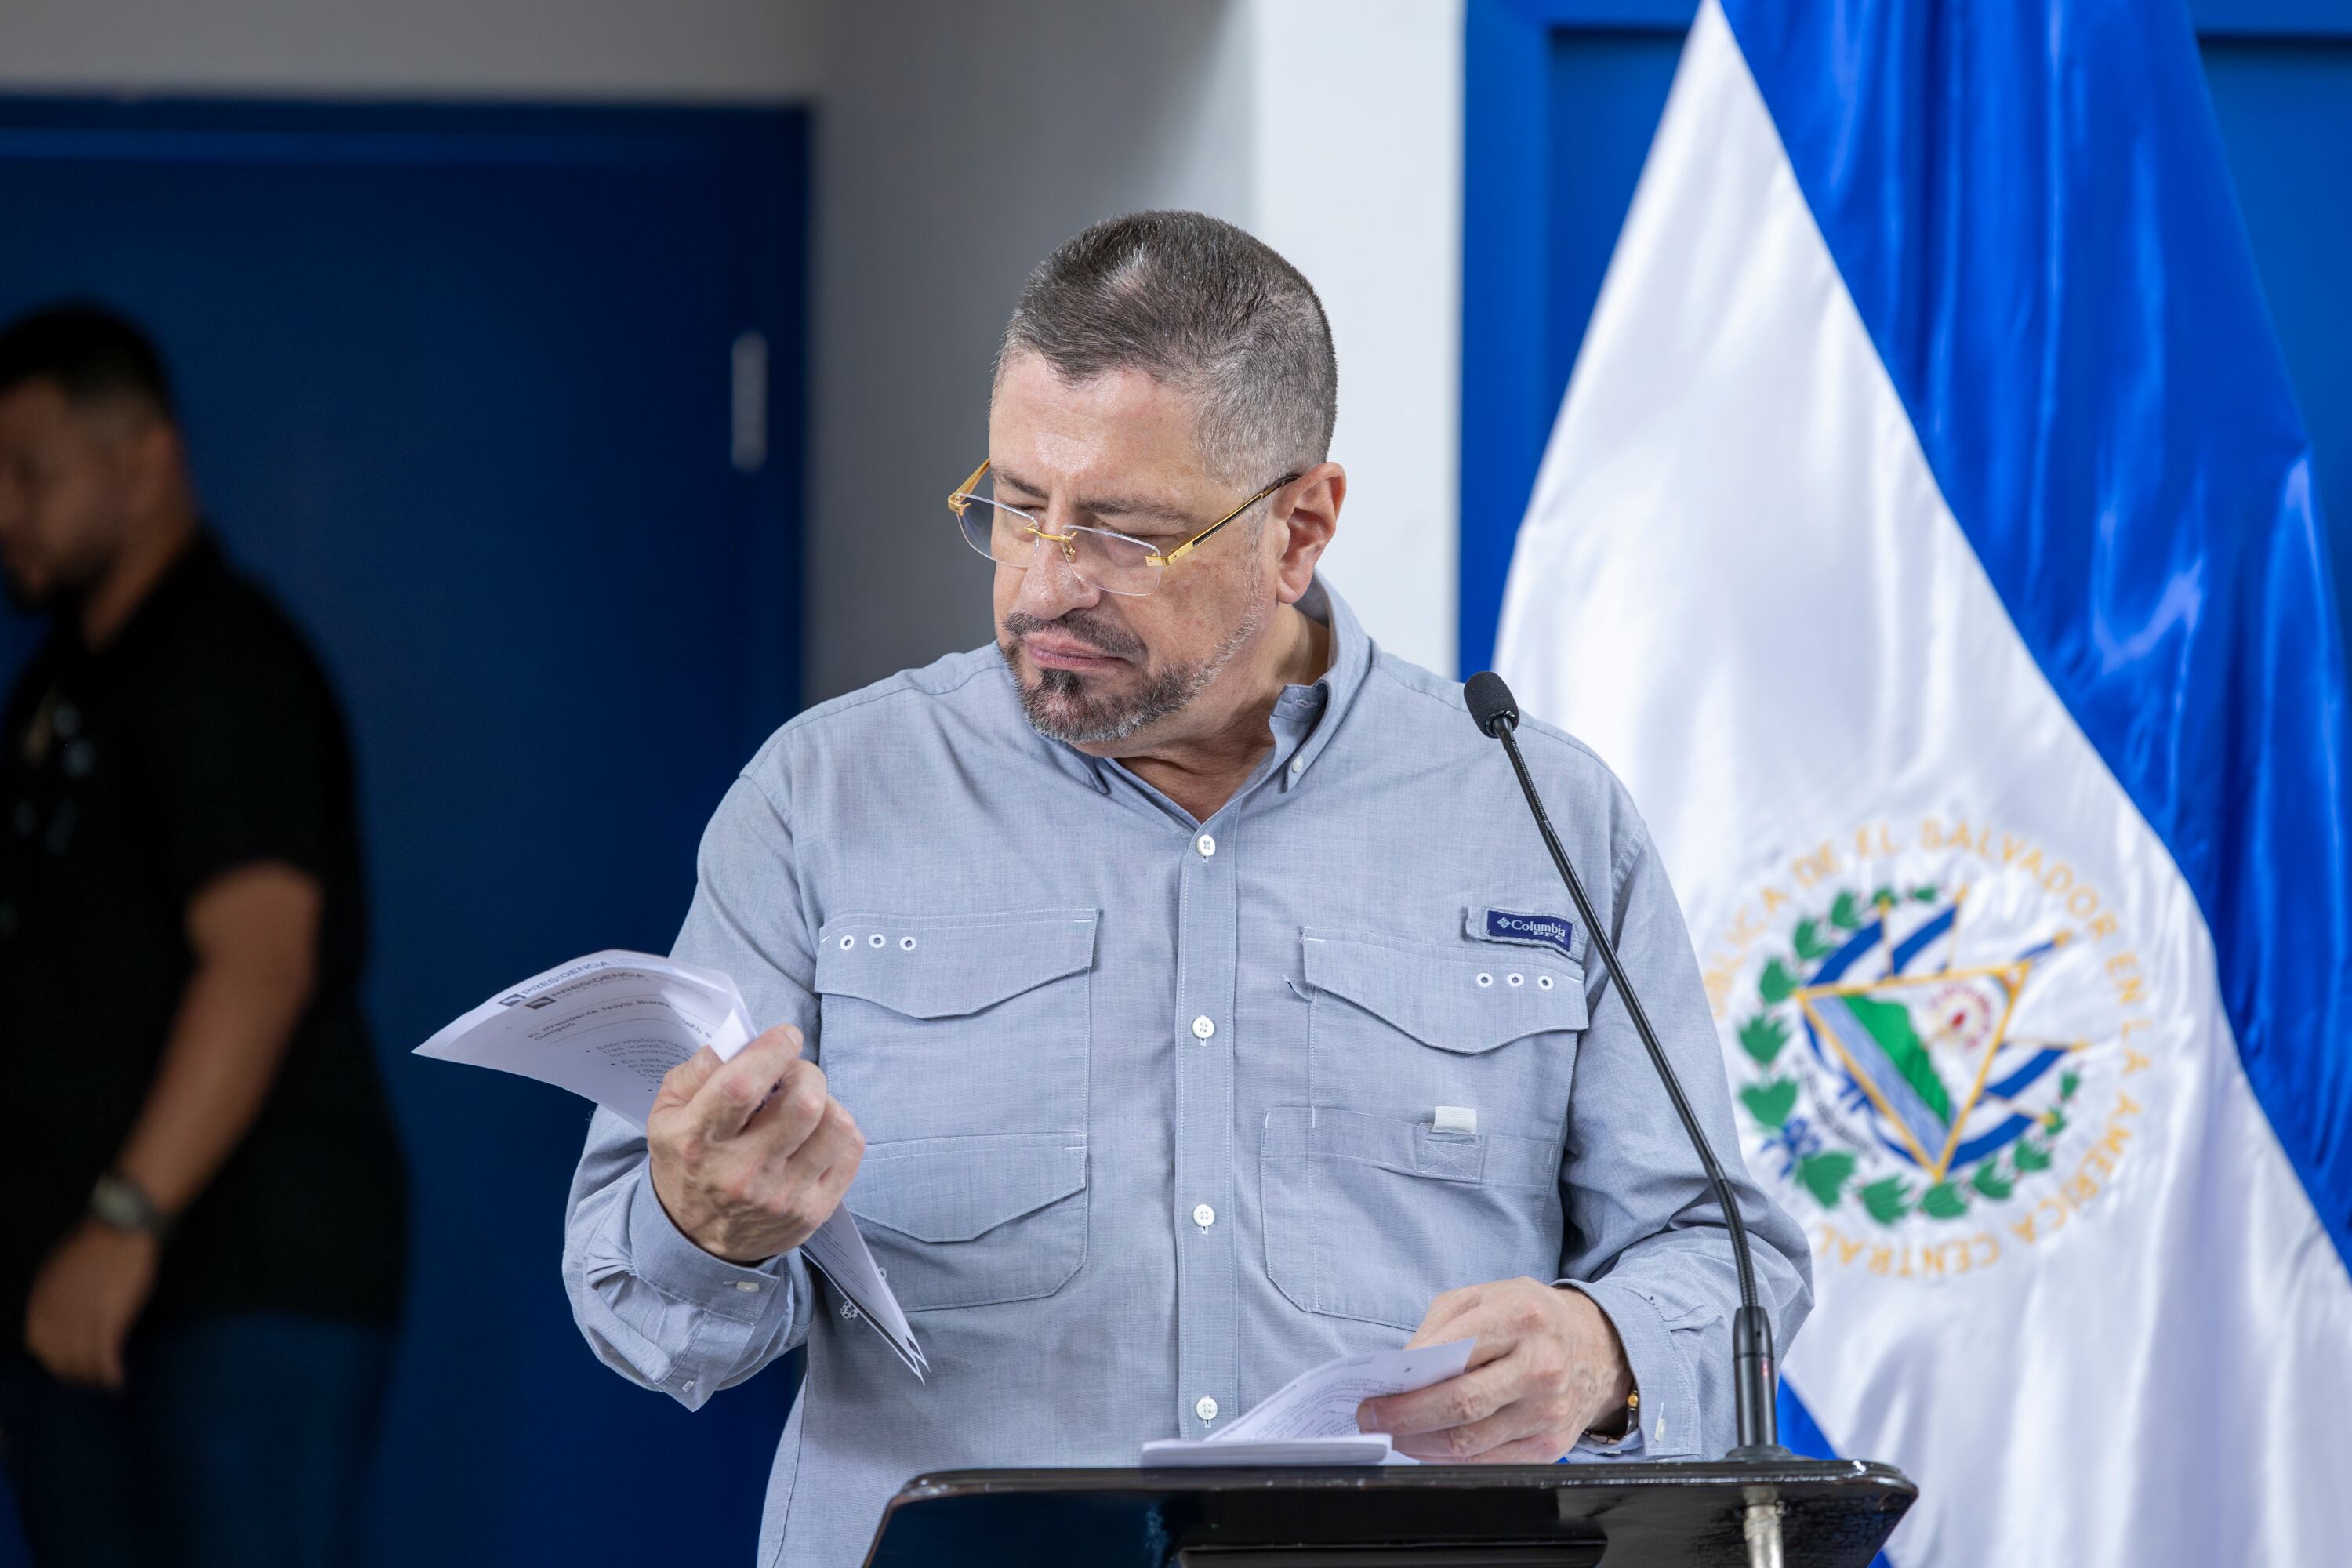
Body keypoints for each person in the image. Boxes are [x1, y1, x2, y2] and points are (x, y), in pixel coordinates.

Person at [563, 212, 1810, 1566]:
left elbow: (1725, 1261)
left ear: (1300, 527)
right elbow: (646, 1323)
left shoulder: (1538, 812)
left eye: (1123, 533)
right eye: (1017, 507)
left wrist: (1600, 1349)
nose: (1043, 583)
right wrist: (709, 1227)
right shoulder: (822, 803)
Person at [0, 304, 405, 1566]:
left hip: (237, 1279)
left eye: (31, 474)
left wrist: (125, 1221)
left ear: (146, 461)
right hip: (82, 1294)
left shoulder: (225, 665)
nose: (5, 511)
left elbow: (261, 962)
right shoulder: (62, 684)